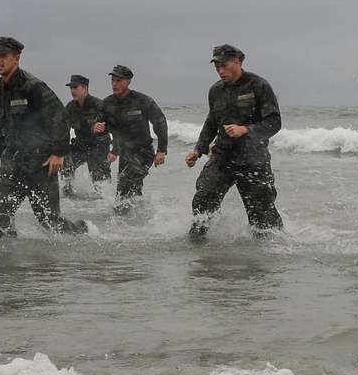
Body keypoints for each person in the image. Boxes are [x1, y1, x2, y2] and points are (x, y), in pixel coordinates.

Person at [0, 36, 86, 237]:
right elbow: (4, 125)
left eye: (4, 56)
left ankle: (81, 231)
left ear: (16, 58)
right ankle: (7, 265)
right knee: (1, 216)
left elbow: (59, 116)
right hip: (12, 162)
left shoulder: (33, 86)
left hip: (40, 163)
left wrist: (59, 153)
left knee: (50, 222)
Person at [184, 44, 283, 241]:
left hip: (253, 159)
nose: (220, 71)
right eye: (217, 67)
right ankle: (196, 245)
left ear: (237, 62)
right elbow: (212, 121)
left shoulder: (258, 86)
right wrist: (198, 149)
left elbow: (274, 122)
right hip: (223, 156)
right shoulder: (215, 91)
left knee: (262, 216)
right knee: (204, 198)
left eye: (224, 65)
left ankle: (272, 252)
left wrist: (246, 129)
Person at [92, 65, 167, 214]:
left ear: (128, 81)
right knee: (132, 189)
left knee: (124, 185)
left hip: (144, 153)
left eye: (119, 80)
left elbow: (160, 122)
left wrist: (162, 150)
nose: (114, 84)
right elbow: (101, 129)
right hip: (125, 154)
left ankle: (120, 220)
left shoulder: (142, 100)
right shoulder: (106, 104)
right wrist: (97, 130)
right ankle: (140, 220)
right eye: (113, 80)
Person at [62, 74, 111, 196]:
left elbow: (113, 125)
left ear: (85, 88)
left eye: (75, 87)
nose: (72, 91)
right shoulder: (70, 107)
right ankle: (68, 193)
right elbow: (63, 128)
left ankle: (104, 201)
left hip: (98, 146)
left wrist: (102, 128)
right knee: (65, 160)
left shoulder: (98, 105)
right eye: (71, 88)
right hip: (81, 144)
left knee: (99, 181)